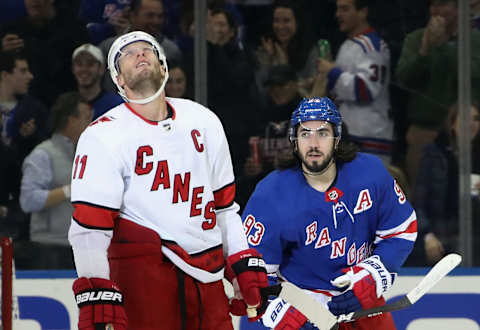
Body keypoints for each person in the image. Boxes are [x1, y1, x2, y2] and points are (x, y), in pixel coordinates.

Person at [68, 30, 269, 330]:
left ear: (163, 67)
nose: (139, 54)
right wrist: (95, 286)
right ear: (119, 80)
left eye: (146, 49)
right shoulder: (101, 135)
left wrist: (240, 257)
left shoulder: (203, 120)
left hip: (210, 284)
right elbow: (89, 228)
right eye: (127, 54)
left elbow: (225, 208)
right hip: (145, 283)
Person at [241, 97, 417, 329]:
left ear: (337, 138)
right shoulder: (270, 194)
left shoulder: (371, 174)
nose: (313, 143)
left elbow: (401, 231)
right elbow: (253, 272)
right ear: (294, 140)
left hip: (363, 302)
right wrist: (280, 312)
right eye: (305, 134)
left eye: (322, 133)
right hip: (304, 306)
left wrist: (373, 275)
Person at [396, 0, 480, 187]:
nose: (436, 11)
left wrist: (442, 47)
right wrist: (424, 51)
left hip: (467, 137)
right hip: (424, 132)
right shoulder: (416, 39)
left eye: (443, 4)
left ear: (458, 8)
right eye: (432, 5)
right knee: (422, 199)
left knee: (468, 199)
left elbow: (472, 73)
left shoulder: (474, 41)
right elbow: (404, 79)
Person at [19, 92, 92, 269]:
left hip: (82, 247)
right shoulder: (43, 155)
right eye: (87, 117)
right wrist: (70, 190)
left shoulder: (88, 156)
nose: (91, 123)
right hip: (48, 249)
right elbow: (28, 200)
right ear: (71, 120)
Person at [317, 0, 393, 164]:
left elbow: (365, 90)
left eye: (345, 9)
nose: (338, 15)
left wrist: (332, 72)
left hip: (369, 137)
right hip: (349, 134)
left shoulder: (372, 46)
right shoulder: (347, 45)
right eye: (338, 9)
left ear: (362, 12)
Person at [409, 102, 480, 266]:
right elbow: (418, 203)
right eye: (465, 118)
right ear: (452, 124)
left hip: (474, 239)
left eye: (476, 119)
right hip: (439, 237)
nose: (471, 124)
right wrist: (427, 235)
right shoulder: (434, 154)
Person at [0, 0, 90, 107]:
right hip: (26, 105)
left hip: (66, 101)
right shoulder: (14, 31)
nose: (34, 1)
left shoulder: (74, 28)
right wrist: (3, 51)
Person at [98, 0, 182, 92]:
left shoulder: (171, 51)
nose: (156, 21)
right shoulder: (109, 48)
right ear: (133, 16)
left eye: (160, 16)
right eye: (150, 16)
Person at [0, 51, 49, 162]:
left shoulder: (36, 110)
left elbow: (47, 149)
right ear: (5, 75)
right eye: (23, 71)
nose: (30, 76)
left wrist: (30, 136)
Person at [71, 43, 123, 119]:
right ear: (73, 69)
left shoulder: (116, 104)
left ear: (101, 69)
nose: (84, 69)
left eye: (90, 64)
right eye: (79, 64)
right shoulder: (68, 106)